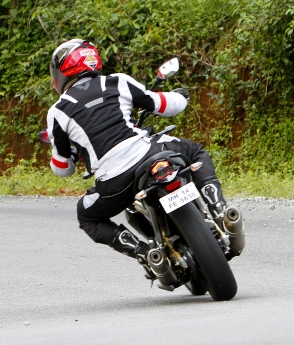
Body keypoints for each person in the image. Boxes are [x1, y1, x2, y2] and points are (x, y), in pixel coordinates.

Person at [46, 39, 233, 271]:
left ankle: (145, 253)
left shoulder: (57, 112)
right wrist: (182, 97)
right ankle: (222, 212)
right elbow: (164, 105)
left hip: (116, 183)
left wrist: (72, 156)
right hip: (149, 153)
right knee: (196, 152)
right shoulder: (117, 82)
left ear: (60, 72)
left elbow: (62, 168)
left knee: (87, 216)